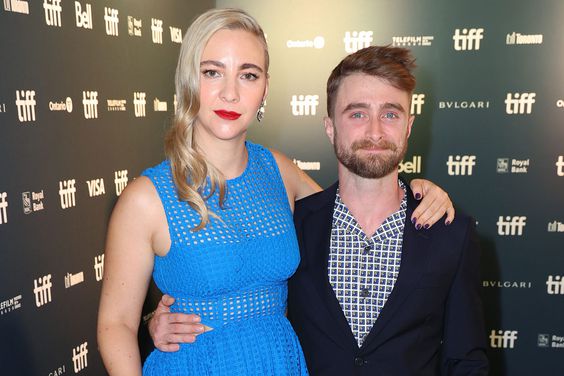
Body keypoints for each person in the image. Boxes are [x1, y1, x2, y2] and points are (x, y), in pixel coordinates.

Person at [98, 7, 455, 376]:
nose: (230, 93)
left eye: (248, 75)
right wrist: (153, 323)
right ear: (188, 78)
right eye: (212, 72)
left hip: (281, 363)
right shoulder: (146, 197)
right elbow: (116, 325)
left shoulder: (278, 170)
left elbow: (358, 204)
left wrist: (419, 190)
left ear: (265, 87)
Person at [286, 46, 489, 374]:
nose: (375, 131)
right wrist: (169, 318)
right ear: (329, 127)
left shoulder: (452, 233)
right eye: (357, 114)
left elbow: (465, 361)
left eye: (390, 114)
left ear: (408, 126)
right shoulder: (292, 226)